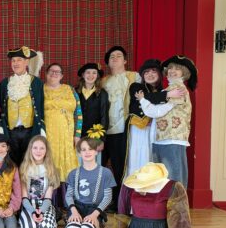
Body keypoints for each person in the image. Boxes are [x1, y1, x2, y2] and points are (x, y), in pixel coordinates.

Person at [135, 56, 196, 188]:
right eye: (170, 68)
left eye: (177, 69)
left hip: (171, 138)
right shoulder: (169, 89)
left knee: (172, 179)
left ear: (184, 72)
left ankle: (175, 202)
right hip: (165, 138)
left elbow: (157, 112)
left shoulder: (177, 88)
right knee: (167, 178)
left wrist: (142, 100)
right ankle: (171, 201)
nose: (172, 71)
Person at [100, 46, 141, 207]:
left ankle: (120, 202)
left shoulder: (134, 76)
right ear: (108, 63)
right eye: (112, 57)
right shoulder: (103, 81)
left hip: (124, 130)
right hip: (104, 130)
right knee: (99, 166)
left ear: (125, 60)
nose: (115, 58)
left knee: (120, 167)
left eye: (118, 56)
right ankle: (99, 200)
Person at [126, 59, 177, 178]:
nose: (150, 74)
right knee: (137, 158)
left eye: (153, 71)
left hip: (156, 130)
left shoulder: (163, 90)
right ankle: (134, 186)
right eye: (146, 72)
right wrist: (167, 95)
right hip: (138, 129)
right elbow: (148, 97)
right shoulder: (136, 86)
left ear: (159, 74)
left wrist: (165, 94)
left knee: (152, 159)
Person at [0, 46, 45, 165]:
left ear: (27, 62)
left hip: (30, 131)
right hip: (10, 132)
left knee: (29, 163)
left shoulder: (36, 83)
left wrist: (42, 128)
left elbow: (40, 106)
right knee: (11, 164)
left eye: (19, 60)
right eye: (13, 60)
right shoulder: (4, 83)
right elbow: (0, 106)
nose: (15, 63)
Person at [64, 137, 116, 228]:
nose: (87, 152)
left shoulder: (106, 173)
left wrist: (94, 215)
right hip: (77, 208)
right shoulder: (73, 173)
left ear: (96, 151)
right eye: (83, 149)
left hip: (95, 209)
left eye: (90, 149)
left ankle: (96, 223)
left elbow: (108, 197)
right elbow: (69, 195)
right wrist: (74, 212)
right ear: (79, 153)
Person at [44, 62, 82, 182]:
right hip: (47, 133)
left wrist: (77, 135)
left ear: (62, 76)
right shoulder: (40, 89)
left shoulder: (69, 89)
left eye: (57, 72)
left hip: (67, 134)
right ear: (46, 74)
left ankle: (65, 192)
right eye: (51, 71)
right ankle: (50, 191)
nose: (54, 74)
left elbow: (78, 113)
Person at [18, 135, 60, 228]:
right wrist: (33, 212)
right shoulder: (24, 169)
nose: (38, 151)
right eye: (35, 148)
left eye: (42, 148)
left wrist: (41, 212)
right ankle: (33, 223)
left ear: (46, 151)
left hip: (45, 204)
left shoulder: (51, 169)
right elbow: (24, 198)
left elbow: (48, 198)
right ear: (30, 150)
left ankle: (51, 218)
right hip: (29, 205)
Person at [76, 62, 109, 164]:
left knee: (94, 163)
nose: (91, 75)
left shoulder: (102, 93)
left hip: (95, 135)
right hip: (78, 135)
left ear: (97, 75)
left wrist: (101, 139)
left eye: (94, 73)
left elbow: (104, 117)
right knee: (78, 162)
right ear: (83, 75)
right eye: (88, 72)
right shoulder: (75, 92)